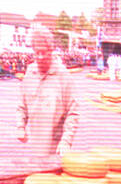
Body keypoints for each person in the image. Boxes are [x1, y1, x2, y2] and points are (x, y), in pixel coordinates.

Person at [15, 24, 80, 157]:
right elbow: (22, 106)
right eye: (37, 52)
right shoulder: (29, 73)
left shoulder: (63, 76)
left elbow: (73, 112)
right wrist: (20, 127)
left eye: (43, 52)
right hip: (35, 148)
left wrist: (66, 141)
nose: (40, 57)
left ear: (51, 49)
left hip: (56, 151)